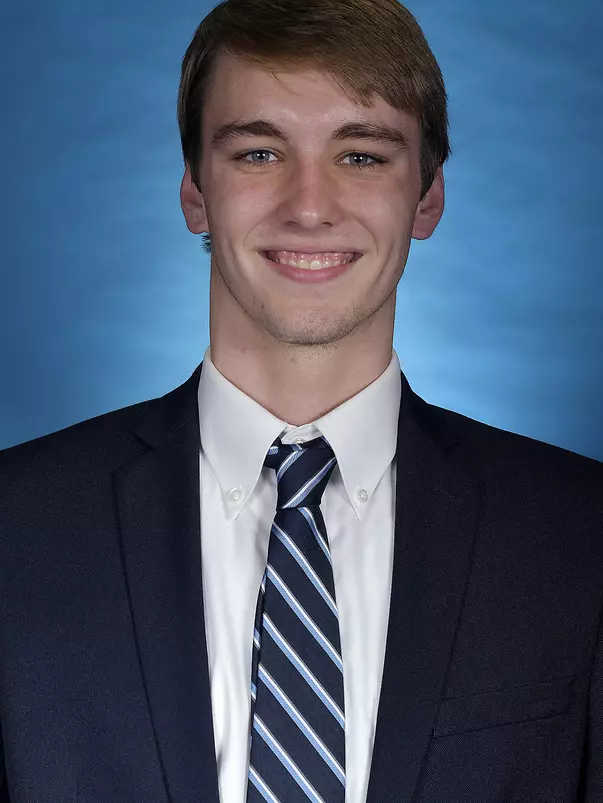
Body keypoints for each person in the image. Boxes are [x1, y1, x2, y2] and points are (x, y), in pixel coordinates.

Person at [0, 0, 601, 800]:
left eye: (361, 156)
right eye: (258, 152)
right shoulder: (15, 529)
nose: (309, 205)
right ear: (195, 193)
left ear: (426, 198)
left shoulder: (579, 536)